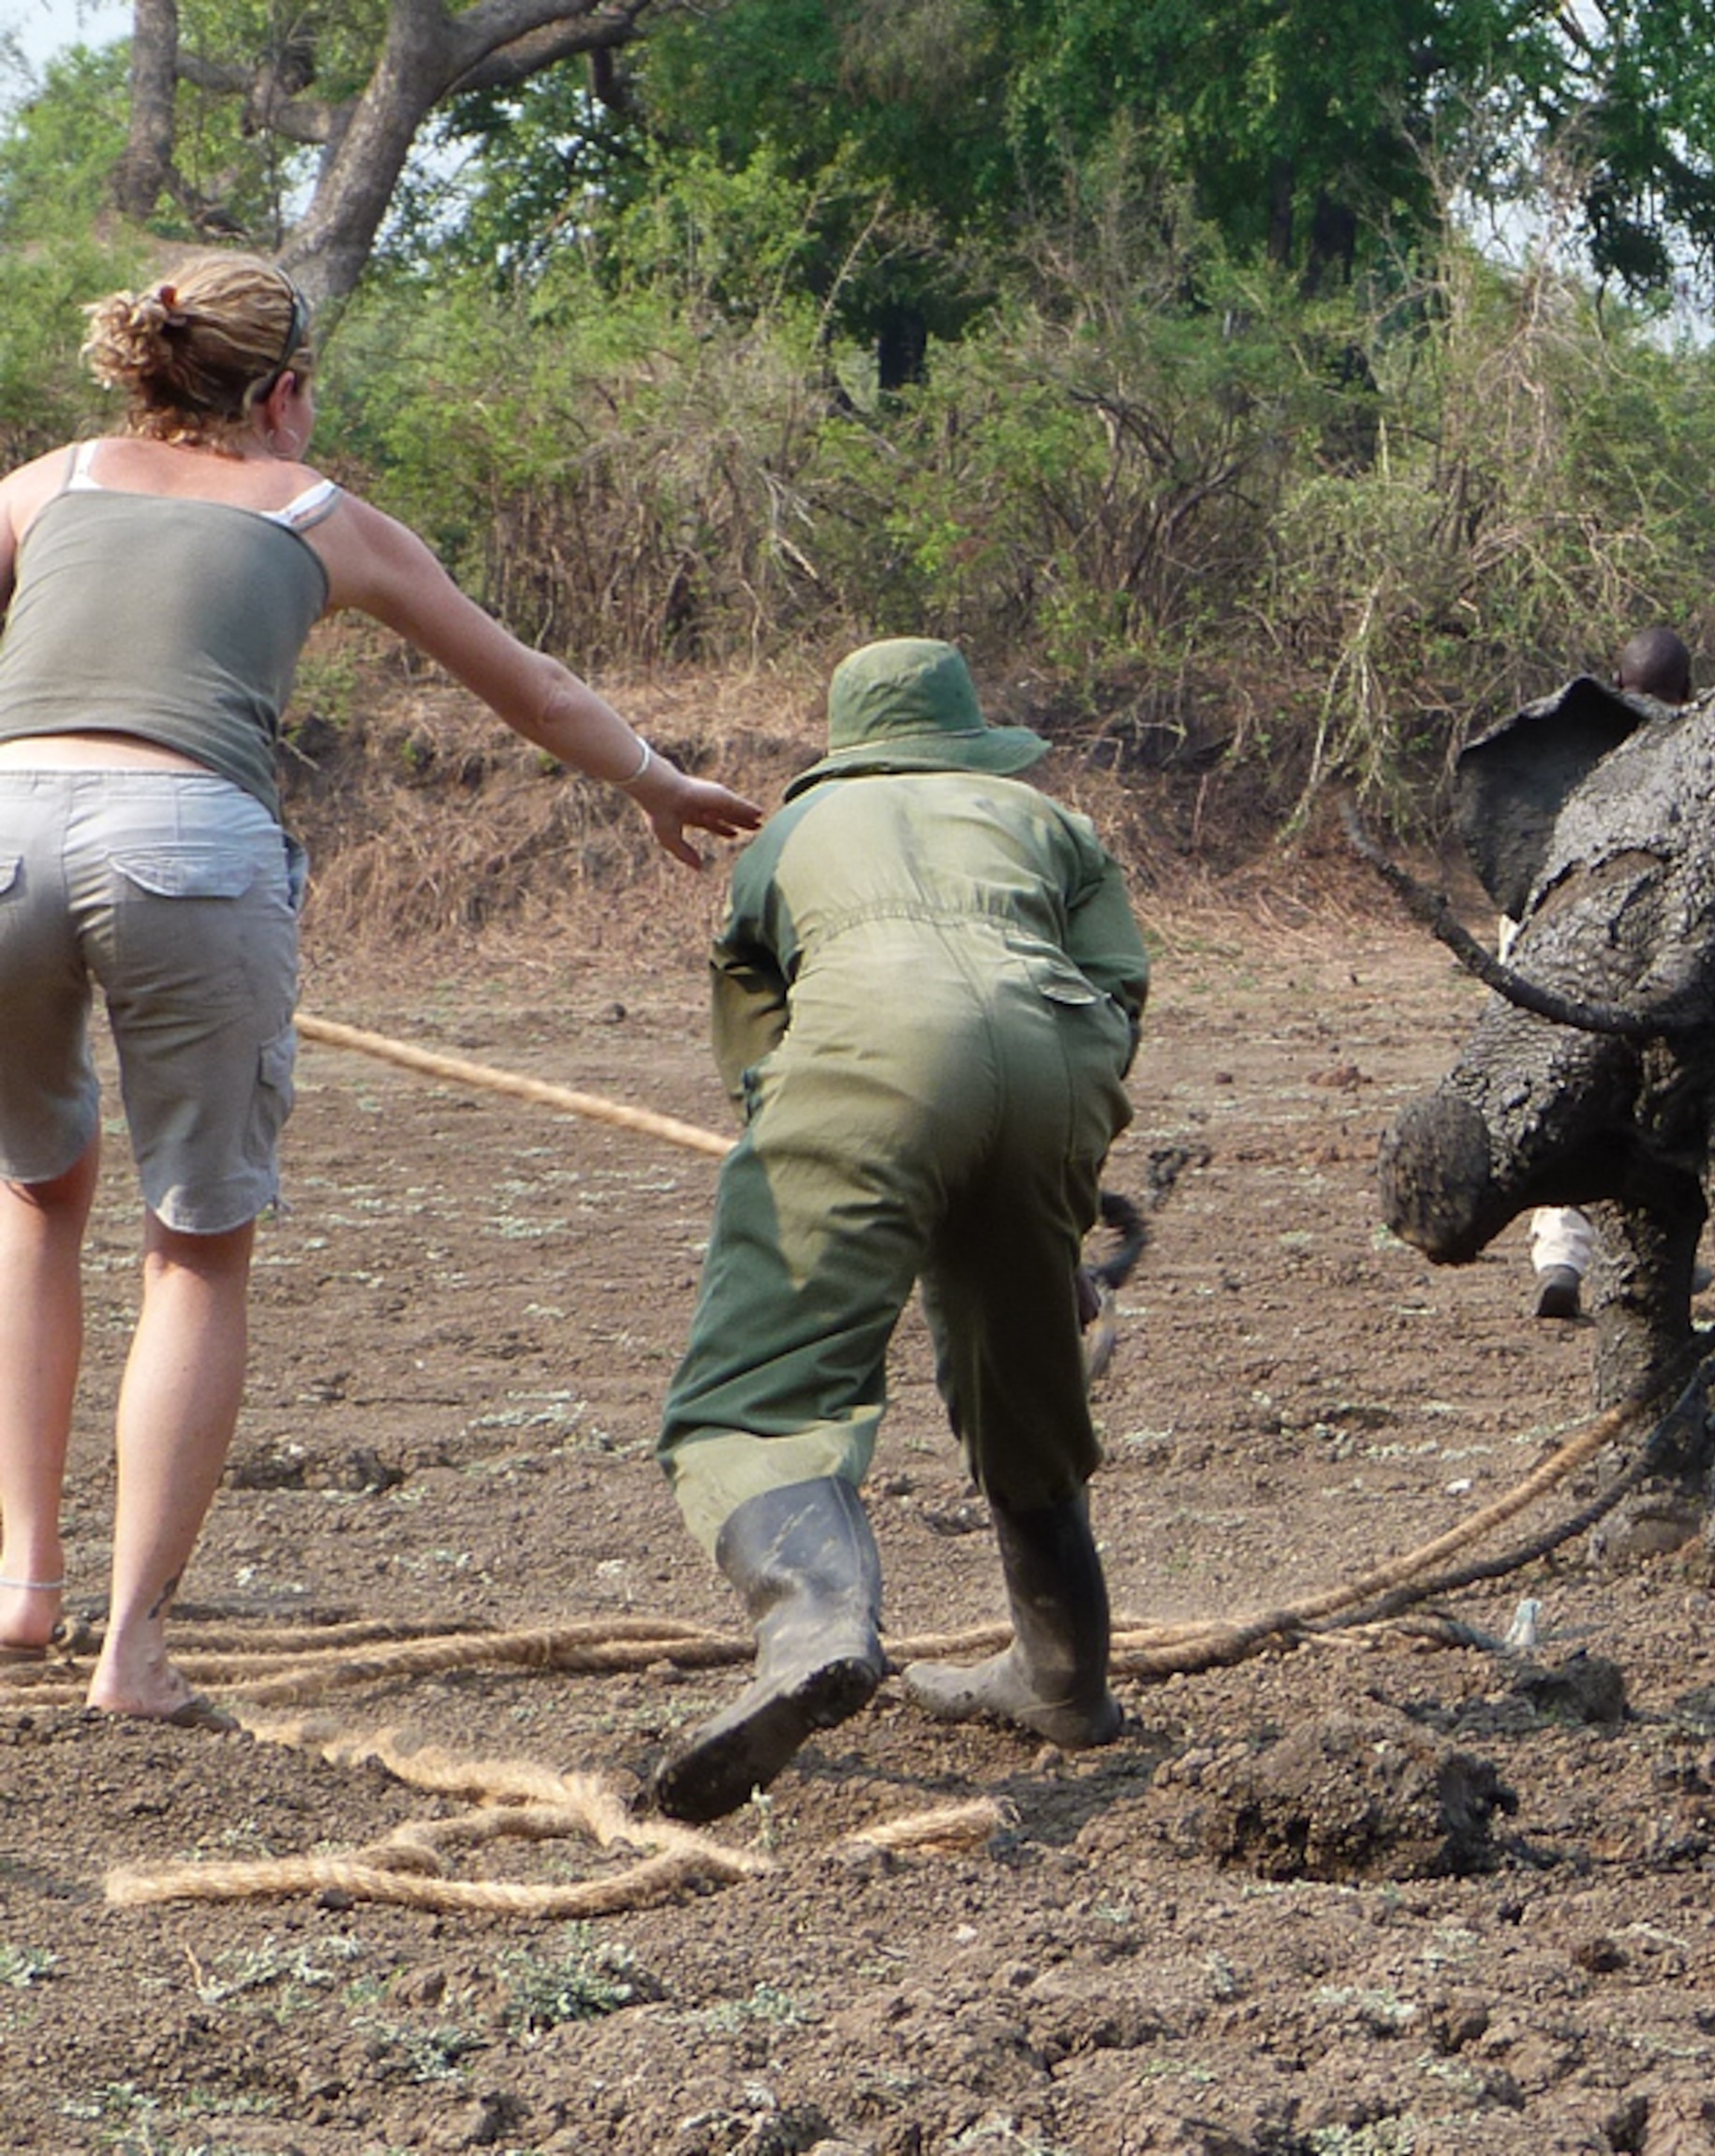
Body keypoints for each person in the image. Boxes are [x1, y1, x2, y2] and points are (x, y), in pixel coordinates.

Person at [0, 253, 764, 1721]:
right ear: (282, 393)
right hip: (187, 847)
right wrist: (658, 782)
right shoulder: (317, 514)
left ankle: (24, 1584)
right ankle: (131, 1651)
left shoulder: (47, 482)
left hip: (11, 832)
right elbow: (532, 688)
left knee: (34, 1197)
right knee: (194, 1241)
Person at [647, 636, 1147, 1824]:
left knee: (758, 1391)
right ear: (965, 734)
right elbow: (1115, 991)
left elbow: (761, 1047)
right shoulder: (1050, 824)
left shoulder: (780, 846)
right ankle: (1065, 1678)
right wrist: (1050, 1199)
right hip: (1055, 1059)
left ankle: (815, 1623)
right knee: (1024, 1380)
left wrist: (843, 1159)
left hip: (869, 1059)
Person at [1517, 627, 1693, 1322]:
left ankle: (1562, 1257)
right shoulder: (1701, 751)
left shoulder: (1573, 748)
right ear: (1687, 692)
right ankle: (1653, 1256)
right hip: (1658, 951)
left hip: (1557, 946)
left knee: (1564, 1094)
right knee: (1666, 1102)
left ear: (1618, 686)